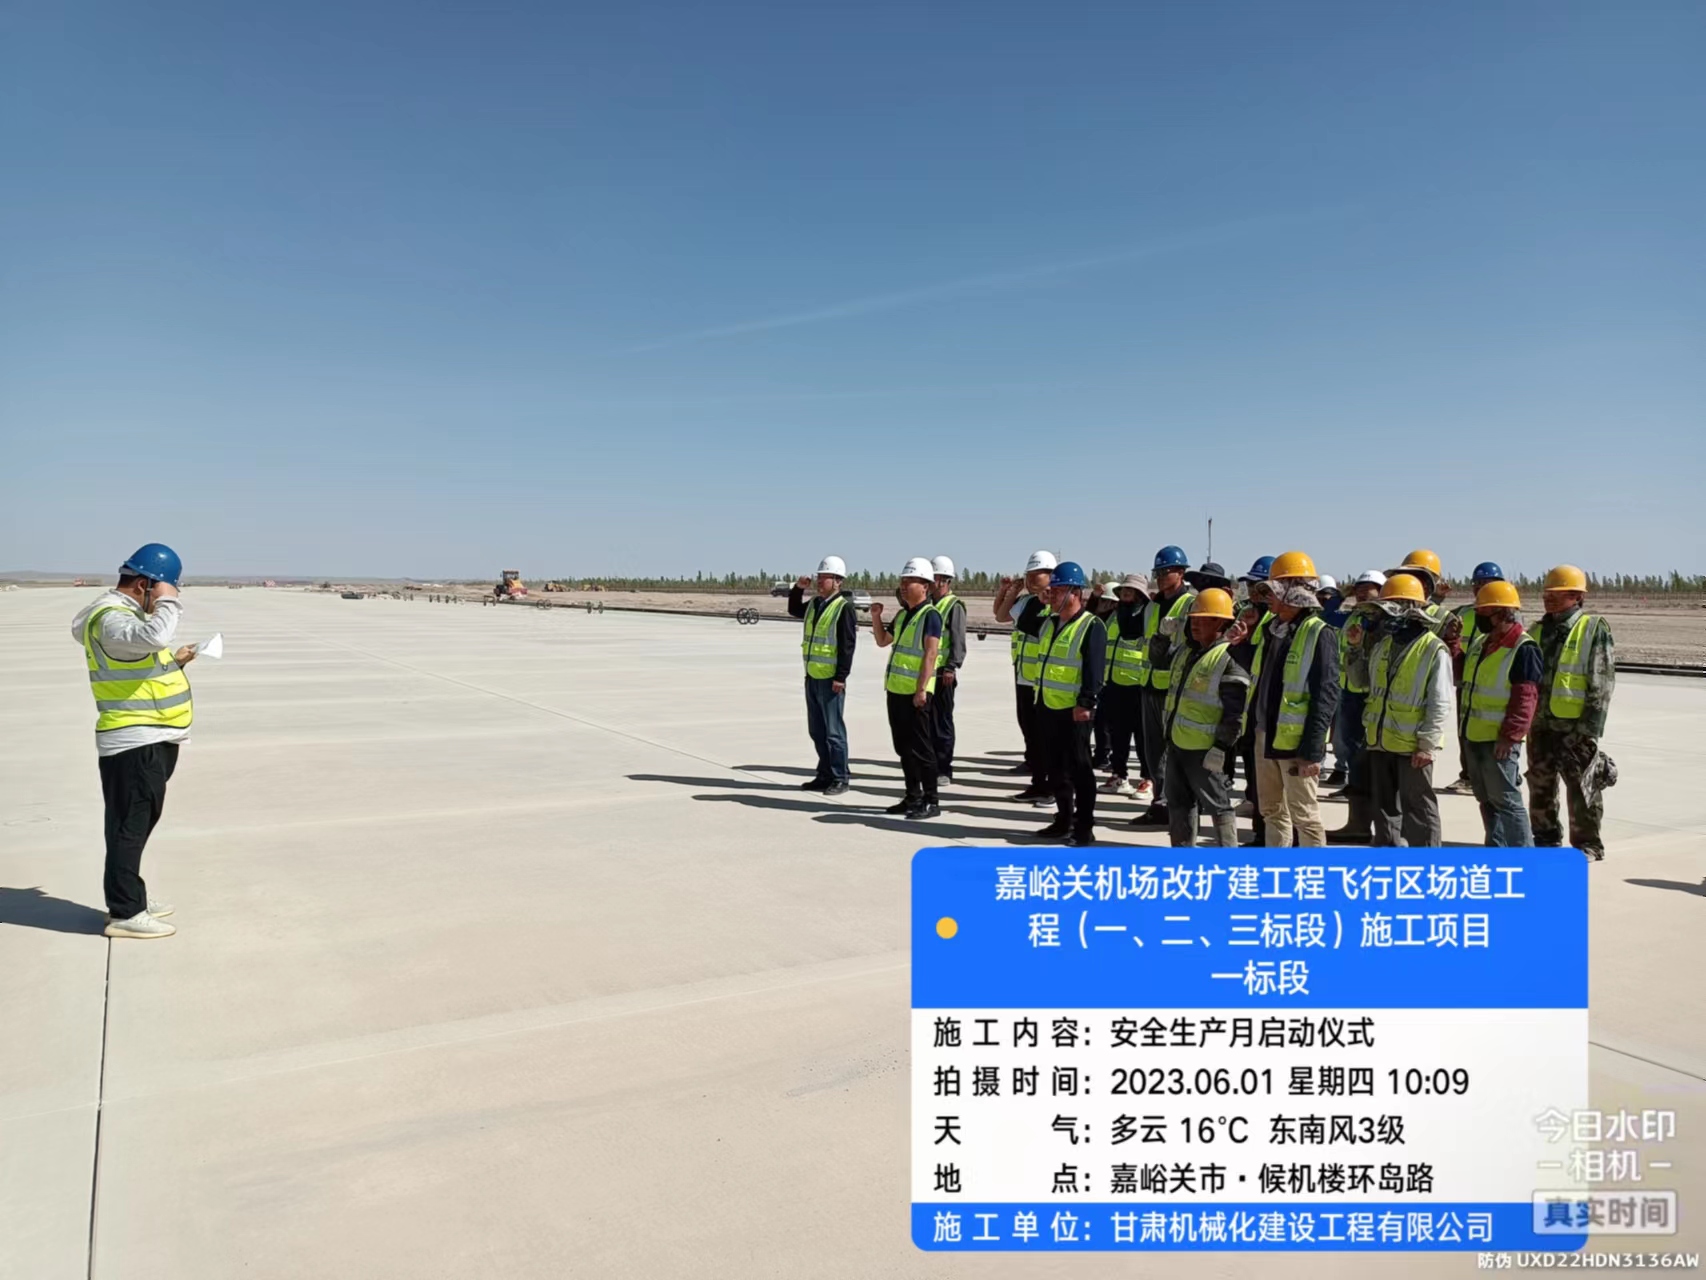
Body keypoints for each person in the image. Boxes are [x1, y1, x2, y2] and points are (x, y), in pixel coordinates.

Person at [71, 543, 198, 939]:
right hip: (135, 739)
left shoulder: (122, 619)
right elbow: (153, 637)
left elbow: (140, 661)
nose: (163, 600)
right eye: (161, 591)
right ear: (144, 585)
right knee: (130, 825)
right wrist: (169, 602)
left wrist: (177, 661)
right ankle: (126, 911)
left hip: (148, 735)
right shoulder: (112, 618)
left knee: (134, 823)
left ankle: (130, 895)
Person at [1235, 551, 1338, 847]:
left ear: (1294, 592)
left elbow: (1326, 695)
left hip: (1295, 744)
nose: (1268, 599)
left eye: (1274, 591)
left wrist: (1313, 750)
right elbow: (1262, 676)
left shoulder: (1320, 633)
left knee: (1304, 816)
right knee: (1271, 810)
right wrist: (1239, 645)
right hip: (1265, 735)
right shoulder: (1272, 630)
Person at [1012, 561, 1106, 845]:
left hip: (1075, 711)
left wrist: (1086, 703)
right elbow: (1021, 621)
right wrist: (1038, 601)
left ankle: (1084, 826)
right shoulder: (1049, 622)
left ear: (1075, 592)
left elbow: (1094, 669)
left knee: (1080, 770)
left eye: (1057, 590)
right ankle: (1063, 819)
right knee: (1055, 769)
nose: (1051, 594)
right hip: (1047, 706)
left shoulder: (1091, 626)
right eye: (1051, 590)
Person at [1528, 565, 1616, 860]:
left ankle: (1589, 845)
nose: (1548, 598)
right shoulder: (1537, 630)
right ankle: (1545, 838)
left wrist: (1589, 727)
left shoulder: (1592, 628)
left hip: (1575, 726)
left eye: (1557, 593)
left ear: (1577, 596)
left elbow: (1601, 680)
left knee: (1581, 787)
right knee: (1540, 784)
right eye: (1546, 593)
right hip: (1540, 723)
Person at [1361, 573, 1451, 847]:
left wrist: (1427, 745)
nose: (1383, 615)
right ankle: (1387, 855)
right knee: (1384, 806)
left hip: (1413, 746)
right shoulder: (1383, 645)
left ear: (1409, 609)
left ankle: (1426, 862)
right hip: (1380, 741)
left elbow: (1440, 702)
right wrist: (1354, 649)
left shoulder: (1434, 649)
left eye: (1389, 608)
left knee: (1419, 808)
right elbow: (1361, 682)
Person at [1161, 588, 1251, 847]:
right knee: (1178, 803)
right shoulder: (1188, 651)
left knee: (1219, 806)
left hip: (1205, 749)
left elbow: (1235, 713)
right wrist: (1161, 636)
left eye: (1203, 619)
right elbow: (1158, 660)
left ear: (1220, 623)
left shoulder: (1229, 657)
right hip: (1177, 742)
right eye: (1194, 619)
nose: (1195, 624)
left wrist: (1221, 747)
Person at [1456, 580, 1540, 845]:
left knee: (1507, 801)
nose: (1479, 617)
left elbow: (1525, 698)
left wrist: (1510, 736)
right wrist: (1453, 645)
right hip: (1474, 735)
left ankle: (1523, 857)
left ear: (1503, 613)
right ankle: (1496, 848)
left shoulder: (1523, 648)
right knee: (1487, 800)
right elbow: (1463, 674)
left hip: (1498, 741)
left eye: (1484, 612)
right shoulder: (1482, 643)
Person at [871, 559, 943, 818]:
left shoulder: (930, 615)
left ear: (925, 586)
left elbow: (931, 653)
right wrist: (876, 617)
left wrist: (921, 689)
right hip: (896, 690)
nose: (903, 586)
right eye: (902, 582)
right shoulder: (903, 616)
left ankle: (932, 801)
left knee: (922, 749)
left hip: (916, 693)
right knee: (903, 748)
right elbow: (883, 641)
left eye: (909, 581)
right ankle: (912, 796)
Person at [1131, 545, 1197, 827]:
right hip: (1149, 685)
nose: (1159, 577)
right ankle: (1160, 804)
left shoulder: (1191, 604)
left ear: (1181, 572)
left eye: (1165, 571)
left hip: (1174, 689)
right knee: (1153, 752)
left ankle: (1177, 806)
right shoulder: (1152, 606)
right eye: (1156, 572)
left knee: (1174, 753)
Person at [993, 552, 1059, 806]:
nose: (1031, 580)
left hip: (1045, 680)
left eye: (1036, 575)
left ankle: (1050, 787)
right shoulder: (1027, 601)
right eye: (1028, 575)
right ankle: (1037, 783)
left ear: (1050, 575)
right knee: (1029, 730)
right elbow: (1001, 615)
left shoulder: (1056, 603)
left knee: (1046, 736)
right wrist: (1012, 591)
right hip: (1024, 676)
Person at [1326, 570, 1386, 843]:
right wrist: (1341, 595)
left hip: (1369, 697)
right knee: (1353, 757)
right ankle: (1358, 823)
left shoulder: (1382, 620)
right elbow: (1326, 615)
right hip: (1349, 693)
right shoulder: (1353, 616)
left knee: (1369, 762)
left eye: (1368, 588)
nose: (1362, 592)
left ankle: (1374, 826)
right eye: (1359, 588)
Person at [788, 556, 856, 795]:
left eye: (824, 577)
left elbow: (847, 645)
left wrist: (841, 677)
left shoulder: (843, 608)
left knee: (834, 732)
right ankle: (824, 774)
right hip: (812, 676)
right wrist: (798, 589)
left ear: (837, 581)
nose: (819, 581)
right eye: (818, 577)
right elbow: (794, 609)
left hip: (831, 680)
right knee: (817, 731)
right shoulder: (815, 604)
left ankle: (840, 777)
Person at [1438, 561, 1507, 796]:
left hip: (1495, 685)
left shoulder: (1508, 615)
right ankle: (1468, 776)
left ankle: (1502, 773)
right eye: (1477, 583)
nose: (1481, 587)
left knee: (1494, 734)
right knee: (1465, 731)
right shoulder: (1462, 613)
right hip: (1465, 681)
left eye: (1487, 582)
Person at [1096, 573, 1151, 799]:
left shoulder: (1146, 615)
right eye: (1124, 590)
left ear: (1140, 594)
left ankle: (1148, 779)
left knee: (1143, 737)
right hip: (1113, 684)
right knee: (1118, 735)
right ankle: (1119, 776)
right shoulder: (1115, 615)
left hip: (1138, 685)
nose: (1126, 593)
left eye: (1131, 590)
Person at [929, 556, 967, 785]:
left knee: (942, 723)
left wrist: (952, 666)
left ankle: (944, 769)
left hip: (944, 673)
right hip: (927, 672)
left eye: (932, 578)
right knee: (927, 723)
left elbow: (958, 640)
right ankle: (930, 764)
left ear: (943, 580)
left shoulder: (954, 606)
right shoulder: (928, 604)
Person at [1314, 574, 1350, 786]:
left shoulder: (1342, 617)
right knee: (1319, 725)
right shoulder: (1316, 617)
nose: (1323, 601)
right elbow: (1324, 613)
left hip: (1343, 683)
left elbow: (1330, 613)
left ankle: (1341, 768)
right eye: (1320, 596)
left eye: (1328, 597)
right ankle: (1319, 764)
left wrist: (1338, 598)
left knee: (1341, 733)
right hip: (1323, 680)